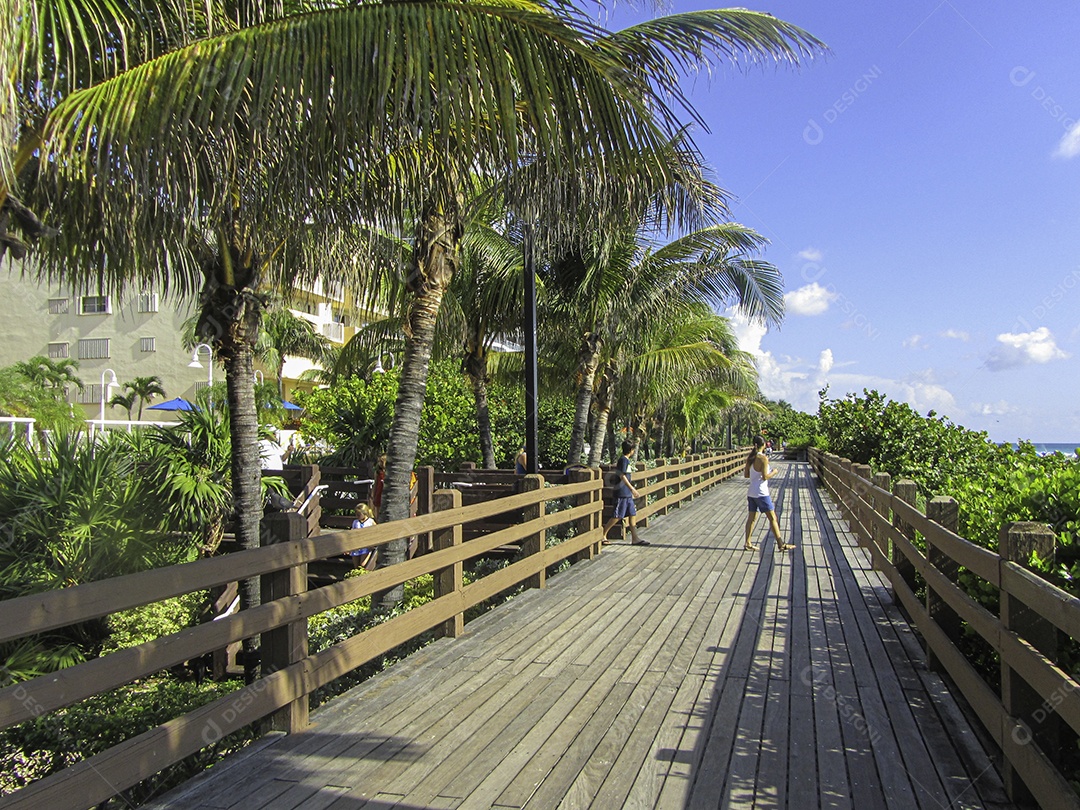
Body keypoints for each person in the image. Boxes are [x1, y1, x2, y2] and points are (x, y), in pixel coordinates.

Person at [744, 435, 794, 552]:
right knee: (772, 518)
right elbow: (765, 477)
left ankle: (748, 543)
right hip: (762, 493)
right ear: (764, 445)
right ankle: (781, 544)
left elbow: (746, 475)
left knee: (751, 518)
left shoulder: (750, 457)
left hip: (751, 492)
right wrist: (774, 472)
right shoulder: (763, 458)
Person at [602, 440, 649, 546]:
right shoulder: (623, 460)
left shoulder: (625, 460)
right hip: (622, 493)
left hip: (627, 494)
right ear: (631, 450)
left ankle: (635, 538)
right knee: (617, 516)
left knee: (632, 514)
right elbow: (622, 475)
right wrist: (632, 488)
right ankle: (603, 534)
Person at [349, 502, 377, 569]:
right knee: (356, 566)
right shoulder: (355, 522)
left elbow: (376, 531)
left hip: (366, 545)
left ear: (364, 513)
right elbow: (352, 532)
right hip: (356, 545)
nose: (357, 516)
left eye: (359, 514)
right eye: (356, 514)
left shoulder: (370, 521)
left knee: (363, 564)